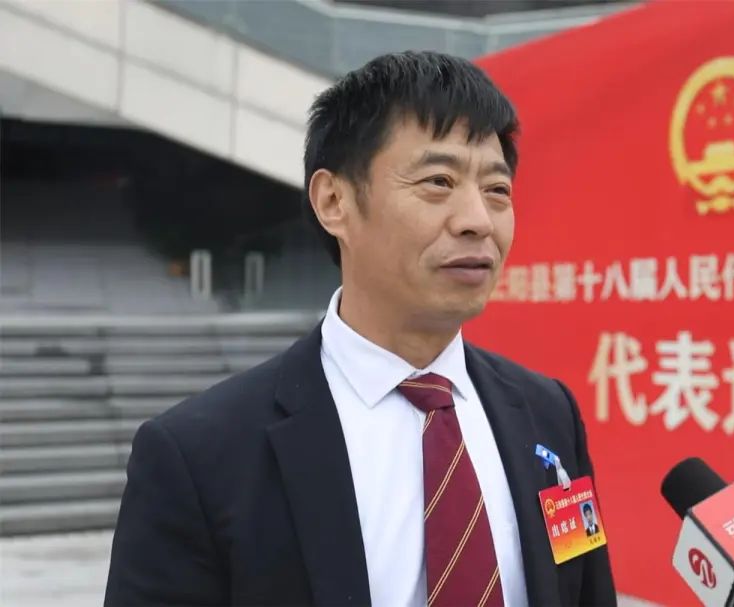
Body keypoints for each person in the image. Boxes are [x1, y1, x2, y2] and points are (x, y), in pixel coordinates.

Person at [104, 51, 616, 607]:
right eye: (438, 181)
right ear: (334, 201)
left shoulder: (548, 415)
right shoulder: (198, 456)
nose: (477, 220)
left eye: (497, 190)